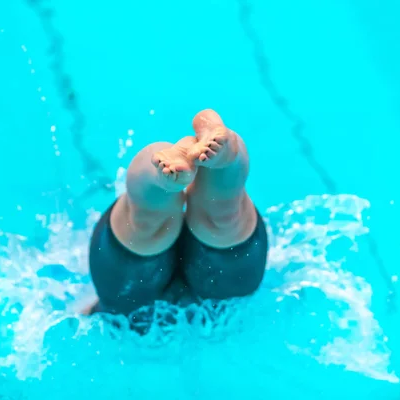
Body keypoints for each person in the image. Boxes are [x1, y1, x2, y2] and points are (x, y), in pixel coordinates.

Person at [87, 109, 268, 316]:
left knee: (145, 222)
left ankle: (165, 174)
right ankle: (223, 153)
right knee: (224, 217)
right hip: (217, 313)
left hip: (135, 312)